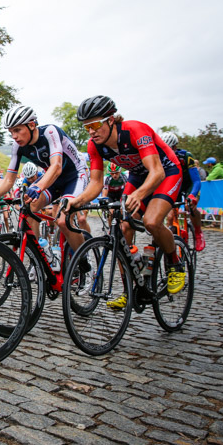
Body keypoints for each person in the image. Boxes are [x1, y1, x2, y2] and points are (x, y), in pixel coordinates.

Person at [67, 95, 185, 308]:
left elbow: (156, 172)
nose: (91, 131)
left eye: (95, 124)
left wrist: (138, 195)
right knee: (123, 226)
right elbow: (95, 183)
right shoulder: (95, 146)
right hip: (138, 176)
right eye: (87, 127)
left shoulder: (135, 130)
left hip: (166, 172)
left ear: (111, 120)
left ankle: (174, 264)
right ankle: (132, 289)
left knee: (151, 221)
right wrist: (77, 201)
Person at [0, 105, 89, 259]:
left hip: (75, 175)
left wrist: (37, 187)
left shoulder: (50, 132)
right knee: (28, 207)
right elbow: (8, 180)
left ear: (32, 125)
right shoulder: (17, 146)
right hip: (53, 179)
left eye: (17, 130)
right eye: (11, 132)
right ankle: (42, 256)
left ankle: (85, 264)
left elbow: (57, 166)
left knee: (63, 221)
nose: (14, 136)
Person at [160, 133, 205, 251]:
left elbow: (196, 181)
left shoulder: (186, 156)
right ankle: (171, 242)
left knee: (191, 206)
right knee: (169, 216)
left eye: (169, 149)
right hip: (176, 185)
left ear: (175, 147)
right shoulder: (161, 158)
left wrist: (192, 195)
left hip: (189, 185)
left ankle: (198, 232)